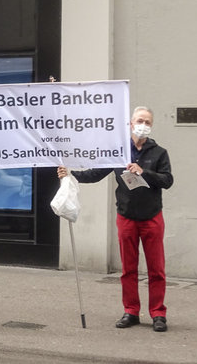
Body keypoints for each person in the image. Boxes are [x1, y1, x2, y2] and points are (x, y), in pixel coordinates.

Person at [57, 106, 173, 332]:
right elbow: (95, 174)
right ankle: (131, 311)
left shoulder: (159, 152)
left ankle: (158, 313)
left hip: (152, 217)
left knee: (156, 269)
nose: (143, 125)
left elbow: (167, 180)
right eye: (140, 120)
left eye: (148, 122)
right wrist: (71, 174)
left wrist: (144, 172)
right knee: (128, 269)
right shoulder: (118, 151)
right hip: (126, 216)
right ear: (130, 123)